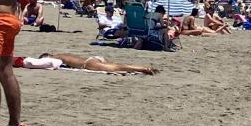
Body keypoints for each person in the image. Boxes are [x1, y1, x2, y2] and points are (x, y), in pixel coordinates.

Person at [18, 52, 157, 75]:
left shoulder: (55, 58)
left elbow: (50, 64)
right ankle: (139, 68)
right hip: (93, 58)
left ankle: (142, 68)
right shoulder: (64, 54)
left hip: (88, 64)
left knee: (115, 68)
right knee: (116, 64)